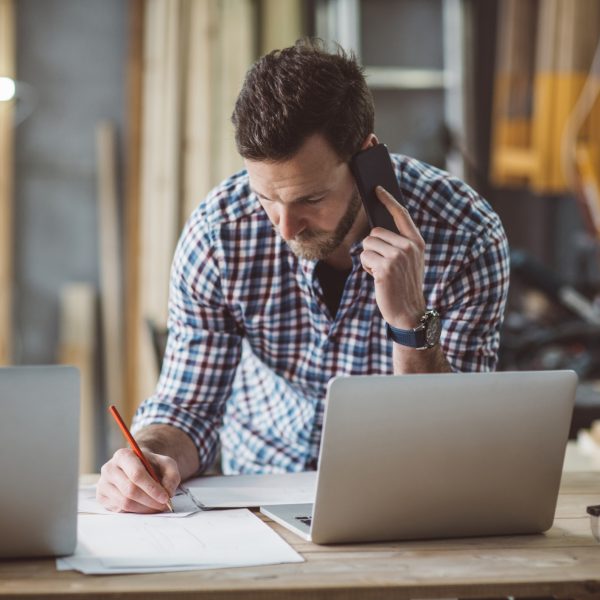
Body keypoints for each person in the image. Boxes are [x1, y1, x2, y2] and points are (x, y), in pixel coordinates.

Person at [97, 39, 510, 513]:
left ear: (366, 157)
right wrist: (148, 456)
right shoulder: (219, 232)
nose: (286, 228)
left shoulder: (465, 234)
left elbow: (454, 444)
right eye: (266, 198)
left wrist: (412, 322)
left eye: (310, 199)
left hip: (398, 498)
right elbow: (189, 407)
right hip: (255, 495)